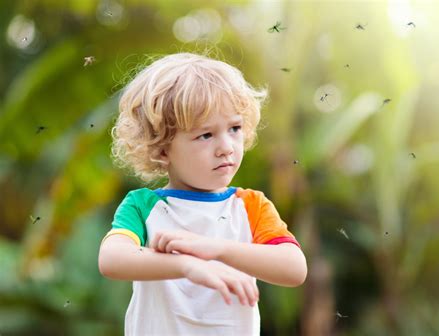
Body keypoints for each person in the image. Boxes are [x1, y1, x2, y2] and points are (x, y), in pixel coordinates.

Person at [98, 52, 307, 336]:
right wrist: (186, 265)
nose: (226, 147)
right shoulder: (143, 206)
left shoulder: (250, 206)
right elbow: (112, 260)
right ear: (162, 149)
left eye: (234, 128)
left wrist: (217, 249)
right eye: (206, 135)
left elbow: (294, 268)